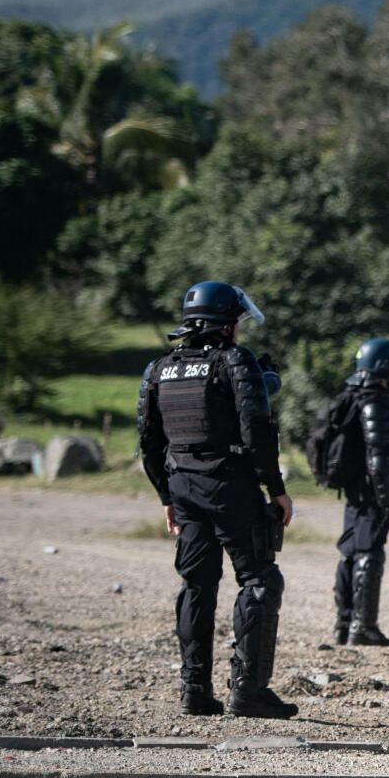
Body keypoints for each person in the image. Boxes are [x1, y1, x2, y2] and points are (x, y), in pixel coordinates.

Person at [136, 281, 296, 719]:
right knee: (260, 579)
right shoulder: (234, 360)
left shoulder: (159, 368)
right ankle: (248, 693)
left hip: (184, 487)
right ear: (226, 325)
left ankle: (195, 691)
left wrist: (166, 495)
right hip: (230, 487)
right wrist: (276, 489)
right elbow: (257, 431)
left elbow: (148, 441)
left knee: (196, 585)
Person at [330, 338, 389, 648]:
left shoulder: (354, 396)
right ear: (383, 366)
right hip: (369, 492)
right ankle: (362, 627)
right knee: (369, 555)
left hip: (356, 490)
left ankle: (344, 625)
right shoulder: (373, 403)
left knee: (351, 554)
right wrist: (387, 502)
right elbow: (378, 457)